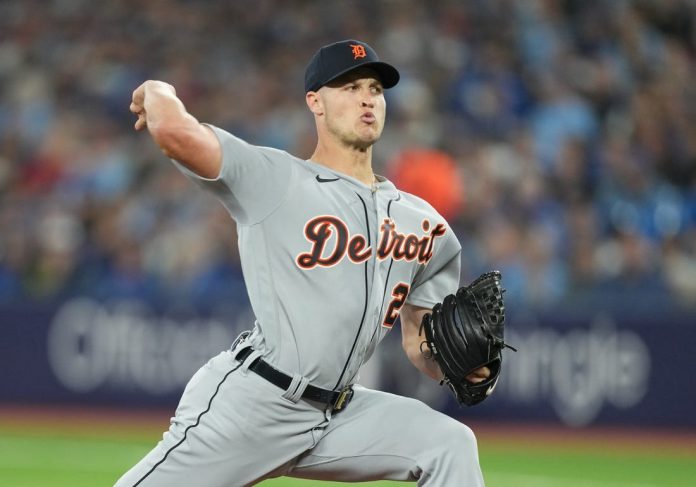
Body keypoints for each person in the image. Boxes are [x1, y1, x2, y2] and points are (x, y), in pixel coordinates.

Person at [117, 39, 489, 487]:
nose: (367, 98)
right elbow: (176, 134)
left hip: (340, 415)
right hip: (257, 404)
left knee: (450, 443)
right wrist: (157, 90)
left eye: (374, 88)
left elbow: (420, 343)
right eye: (349, 87)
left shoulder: (424, 224)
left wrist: (459, 366)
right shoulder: (276, 179)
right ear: (315, 102)